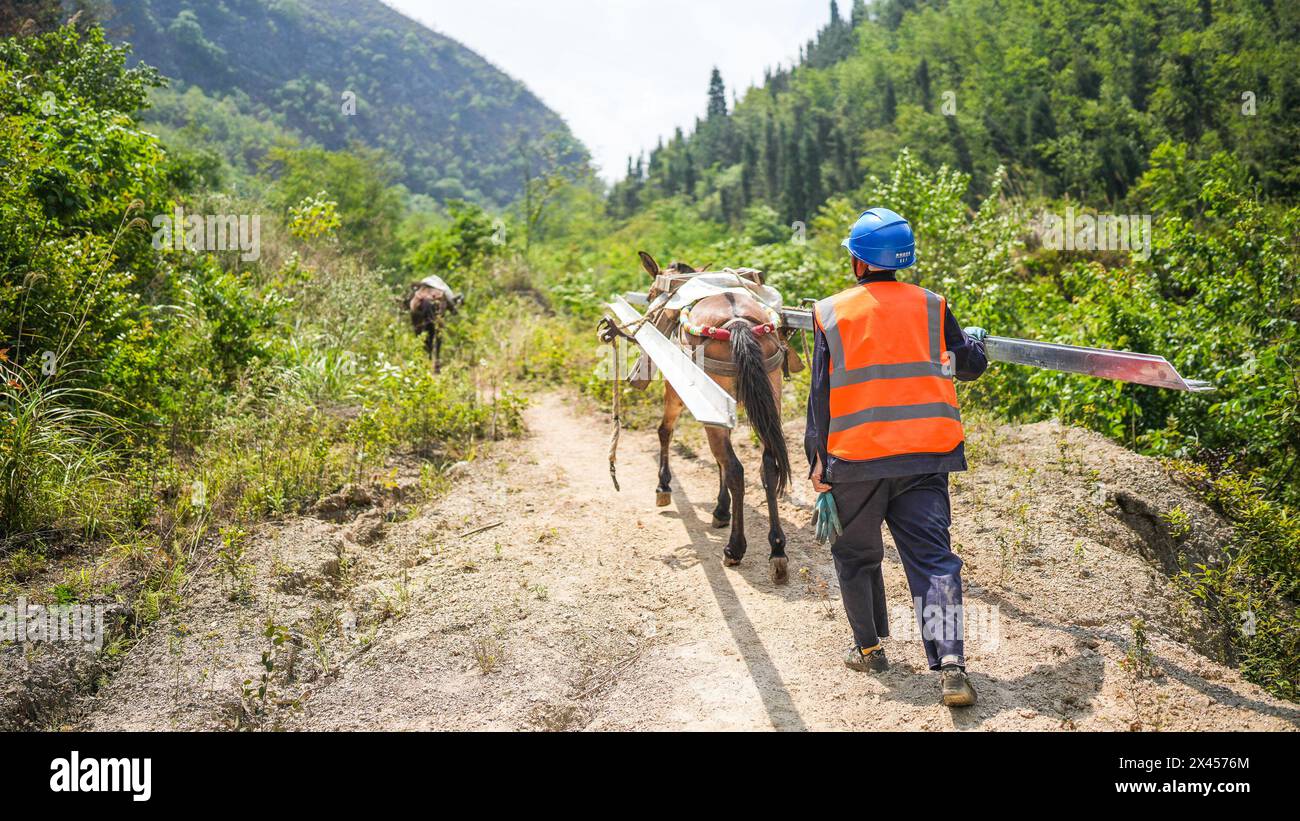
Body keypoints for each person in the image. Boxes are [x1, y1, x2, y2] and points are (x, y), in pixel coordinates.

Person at [805, 207, 988, 707]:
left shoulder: (831, 312)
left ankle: (868, 649)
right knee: (933, 562)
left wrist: (816, 459)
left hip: (855, 460)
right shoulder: (933, 305)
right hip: (927, 456)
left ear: (859, 262)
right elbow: (968, 364)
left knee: (857, 556)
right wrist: (972, 343)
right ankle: (951, 665)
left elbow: (820, 392)